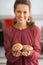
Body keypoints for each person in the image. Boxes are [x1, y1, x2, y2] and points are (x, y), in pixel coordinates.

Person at [4, 0, 41, 65]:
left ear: (29, 13)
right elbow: (7, 54)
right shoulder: (8, 31)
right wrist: (13, 54)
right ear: (14, 12)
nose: (21, 15)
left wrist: (30, 53)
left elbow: (37, 53)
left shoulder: (35, 30)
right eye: (19, 11)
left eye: (25, 12)